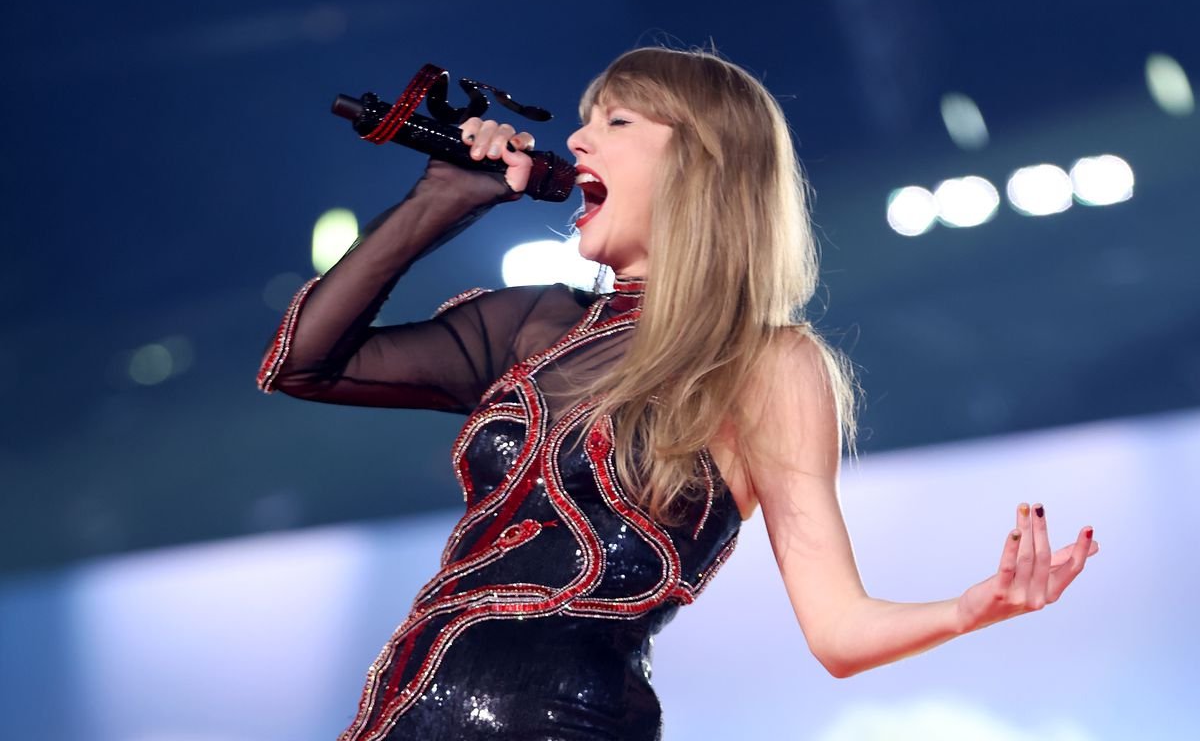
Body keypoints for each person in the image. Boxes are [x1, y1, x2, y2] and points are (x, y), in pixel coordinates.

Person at [256, 45, 1100, 741]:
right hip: (398, 713)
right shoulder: (535, 325)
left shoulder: (764, 364)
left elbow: (839, 631)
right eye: (584, 121)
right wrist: (439, 200)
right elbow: (302, 364)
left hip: (558, 722)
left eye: (616, 121)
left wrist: (971, 608)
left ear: (703, 162)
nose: (577, 141)